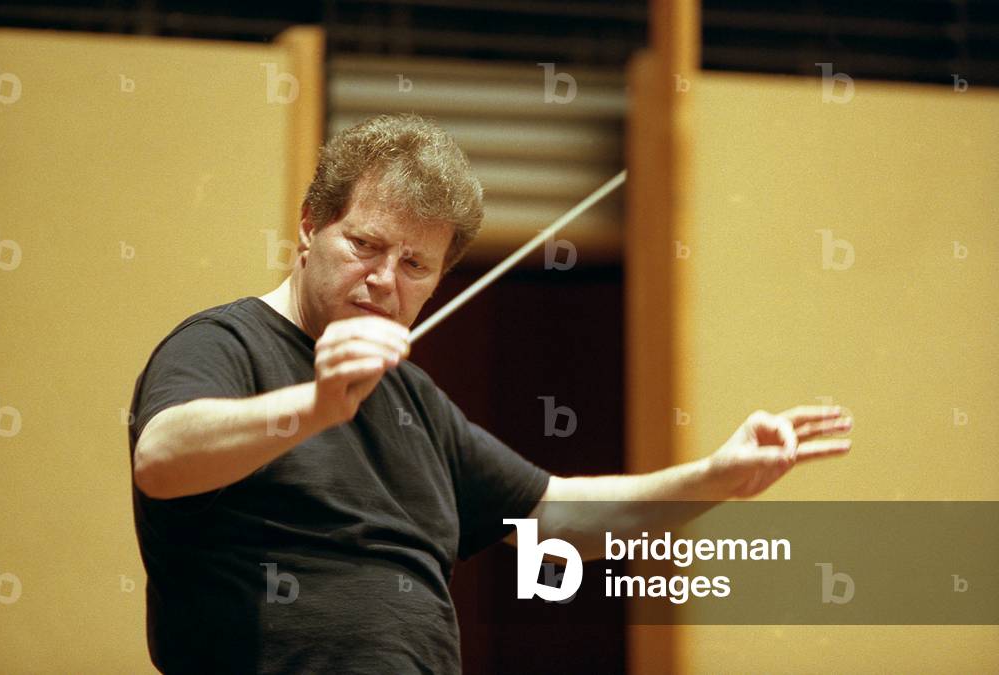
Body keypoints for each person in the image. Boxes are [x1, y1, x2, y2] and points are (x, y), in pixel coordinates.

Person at [127, 113, 852, 674]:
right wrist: (314, 406)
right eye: (366, 245)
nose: (385, 279)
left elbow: (558, 519)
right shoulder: (223, 344)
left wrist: (718, 475)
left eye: (416, 263)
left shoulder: (416, 402)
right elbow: (161, 455)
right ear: (310, 226)